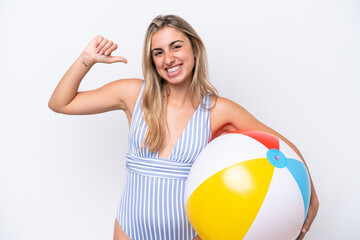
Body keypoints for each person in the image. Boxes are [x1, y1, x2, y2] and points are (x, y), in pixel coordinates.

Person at [48, 15, 319, 240]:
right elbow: (61, 103)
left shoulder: (217, 110)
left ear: (193, 48)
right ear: (152, 60)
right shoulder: (133, 94)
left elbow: (280, 148)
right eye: (158, 52)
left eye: (176, 47)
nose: (168, 59)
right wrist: (87, 58)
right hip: (128, 231)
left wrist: (310, 197)